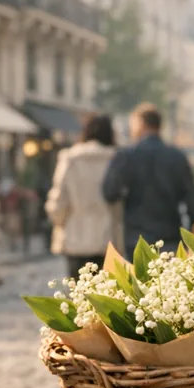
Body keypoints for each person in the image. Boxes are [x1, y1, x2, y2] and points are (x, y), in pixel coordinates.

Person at [102, 103, 194, 256]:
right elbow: (192, 201)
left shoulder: (126, 155)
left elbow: (109, 192)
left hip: (136, 238)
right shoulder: (177, 156)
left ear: (141, 124)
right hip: (170, 235)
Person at [45, 114, 121, 277]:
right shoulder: (116, 158)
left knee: (78, 288)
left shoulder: (71, 158)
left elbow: (58, 199)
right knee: (105, 289)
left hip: (75, 235)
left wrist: (59, 222)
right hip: (107, 236)